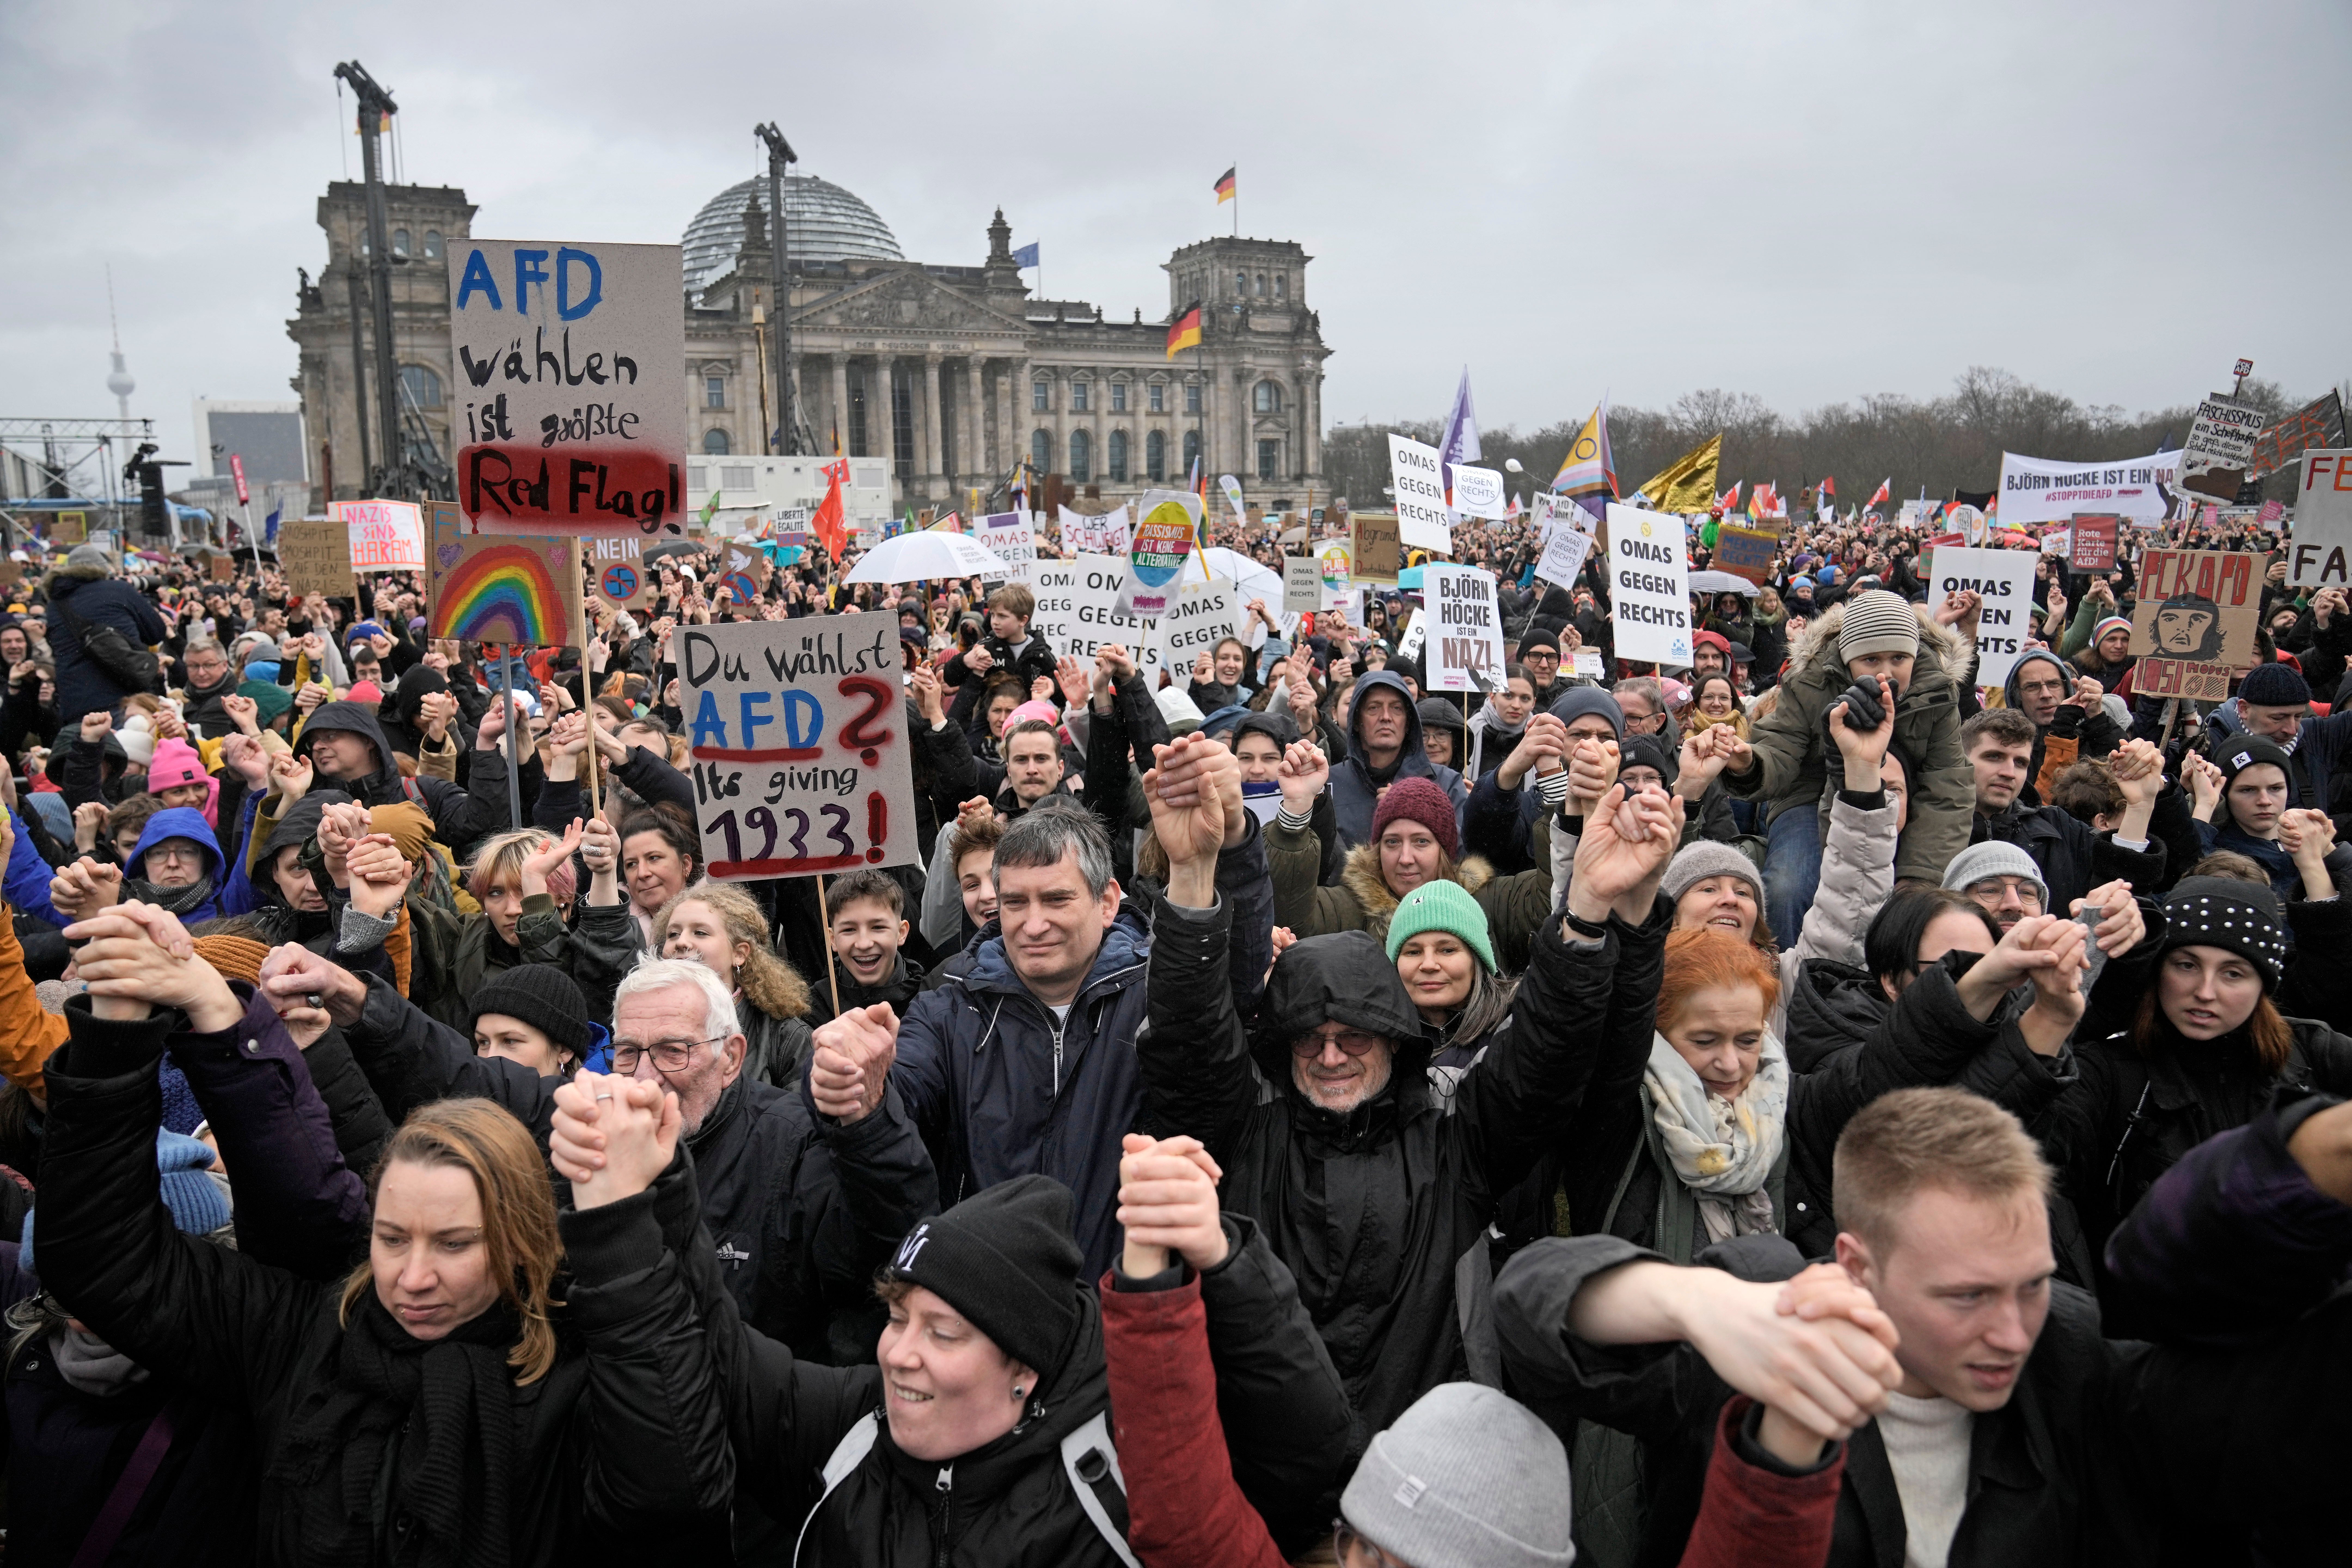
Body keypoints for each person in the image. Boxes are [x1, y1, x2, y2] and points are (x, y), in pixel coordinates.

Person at [30, 903, 733, 1564]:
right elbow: (104, 1256)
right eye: (393, 1238)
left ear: (520, 1240)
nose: (413, 1277)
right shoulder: (303, 1332)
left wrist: (629, 1212)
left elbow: (672, 1497)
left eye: (455, 1244)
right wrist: (120, 1024)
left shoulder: (577, 1379)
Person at [1501, 1084, 2352, 1566]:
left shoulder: (2075, 1361)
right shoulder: (1777, 1334)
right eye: (1967, 1297)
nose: (2015, 1333)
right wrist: (1696, 1302)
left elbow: (2271, 1408)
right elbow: (1527, 1304)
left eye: (2031, 1287)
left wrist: (2314, 1154)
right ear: (1856, 1264)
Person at [1141, 730, 1682, 1431]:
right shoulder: (1248, 1136)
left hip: (1435, 1454)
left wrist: (1583, 915)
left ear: (1395, 1041)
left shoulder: (1455, 1146)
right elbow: (1188, 1042)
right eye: (1310, 1038)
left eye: (1355, 1036)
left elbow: (1545, 1057)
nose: (1331, 1056)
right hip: (1277, 1476)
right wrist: (1191, 874)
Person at [851, 798, 1271, 1279]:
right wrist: (856, 1088)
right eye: (1015, 903)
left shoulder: (1162, 998)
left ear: (1108, 901)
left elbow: (1226, 1012)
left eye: (1056, 900)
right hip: (988, 1309)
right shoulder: (950, 1007)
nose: (1033, 925)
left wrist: (1225, 846)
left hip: (1125, 1300)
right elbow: (898, 1104)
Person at [2035, 875, 2352, 1317]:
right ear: (2158, 968)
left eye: (2233, 973)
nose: (2206, 991)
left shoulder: (2315, 1056)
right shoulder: (2109, 1071)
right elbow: (2025, 1138)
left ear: (2265, 985)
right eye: (2186, 965)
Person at [1717, 589, 1972, 944]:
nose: (1887, 672)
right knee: (1789, 888)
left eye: (1900, 657)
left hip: (1898, 803)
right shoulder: (1809, 681)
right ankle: (1780, 977)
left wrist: (1918, 878)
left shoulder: (1938, 692)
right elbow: (1781, 746)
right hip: (1808, 798)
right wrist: (1751, 763)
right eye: (1871, 660)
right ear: (1847, 658)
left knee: (1915, 907)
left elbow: (1948, 787)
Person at [1956, 710, 2165, 918]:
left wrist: (2140, 806)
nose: (2009, 773)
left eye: (2021, 763)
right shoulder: (1929, 828)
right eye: (1994, 757)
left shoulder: (2060, 828)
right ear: (1961, 760)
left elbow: (2117, 903)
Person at [650, 880, 817, 1089]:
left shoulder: (787, 1036)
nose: (681, 942)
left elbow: (803, 1117)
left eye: (700, 932)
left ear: (739, 954)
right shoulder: (645, 1022)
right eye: (673, 934)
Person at [292, 696, 495, 855]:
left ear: (369, 740)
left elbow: (482, 820)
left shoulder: (423, 792)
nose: (318, 747)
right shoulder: (312, 806)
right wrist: (289, 797)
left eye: (330, 736)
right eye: (313, 742)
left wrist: (486, 746)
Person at [2185, 736, 2352, 900]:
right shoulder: (2216, 852)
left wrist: (2331, 852)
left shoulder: (2311, 842)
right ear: (2225, 795)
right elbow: (2187, 881)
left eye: (2276, 788)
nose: (2265, 801)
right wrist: (2204, 804)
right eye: (2248, 790)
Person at [1325, 670, 1467, 854]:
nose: (1386, 717)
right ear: (1358, 722)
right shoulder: (1329, 783)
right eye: (1374, 708)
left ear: (1408, 723)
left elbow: (1463, 853)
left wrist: (1415, 810)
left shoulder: (1447, 782)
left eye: (1397, 709)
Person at [42, 544, 166, 723]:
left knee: (86, 750)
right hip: (124, 701)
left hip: (75, 704)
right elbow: (156, 633)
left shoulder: (55, 605)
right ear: (103, 569)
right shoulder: (119, 590)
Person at [806, 866, 927, 1027]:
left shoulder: (928, 1000)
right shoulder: (813, 1009)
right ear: (833, 939)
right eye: (849, 930)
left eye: (878, 928)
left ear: (901, 933)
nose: (864, 944)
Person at [469, 961, 607, 1077]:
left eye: (510, 1041)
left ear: (564, 1050)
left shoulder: (606, 1106)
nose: (489, 1058)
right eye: (484, 1042)